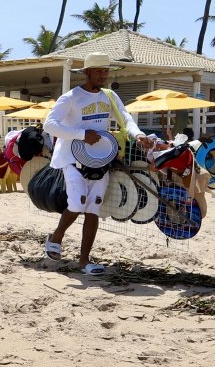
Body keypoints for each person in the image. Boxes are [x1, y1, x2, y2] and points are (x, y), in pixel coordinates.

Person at [42, 52, 153, 275]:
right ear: (87, 72)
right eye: (99, 71)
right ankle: (56, 237)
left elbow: (125, 118)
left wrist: (138, 135)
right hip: (72, 159)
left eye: (106, 71)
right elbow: (49, 125)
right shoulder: (71, 97)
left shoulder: (109, 96)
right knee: (77, 203)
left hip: (100, 159)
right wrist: (82, 134)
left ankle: (84, 261)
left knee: (93, 208)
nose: (104, 75)